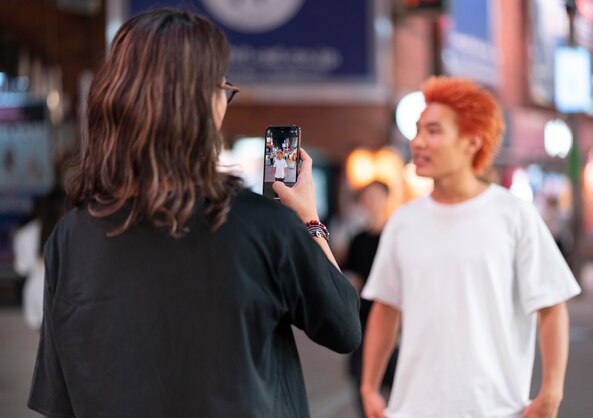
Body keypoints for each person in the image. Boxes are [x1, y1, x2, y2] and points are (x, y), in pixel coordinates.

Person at [28, 9, 361, 418]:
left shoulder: (70, 237)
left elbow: (58, 400)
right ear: (201, 103)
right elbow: (344, 325)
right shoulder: (261, 225)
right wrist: (309, 219)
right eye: (223, 89)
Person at [360, 76, 581, 418]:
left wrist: (551, 392)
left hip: (497, 408)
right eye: (417, 130)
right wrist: (369, 387)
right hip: (413, 408)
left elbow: (552, 305)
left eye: (433, 131)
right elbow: (385, 309)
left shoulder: (514, 215)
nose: (418, 142)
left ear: (472, 142)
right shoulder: (403, 222)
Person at [343, 181, 398, 417]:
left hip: (394, 323)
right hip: (363, 320)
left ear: (386, 200)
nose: (372, 202)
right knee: (361, 383)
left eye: (377, 196)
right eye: (368, 197)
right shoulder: (357, 239)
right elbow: (350, 275)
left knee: (397, 389)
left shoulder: (395, 237)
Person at [12, 189, 67, 330]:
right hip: (64, 296)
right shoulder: (68, 231)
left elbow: (21, 268)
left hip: (35, 296)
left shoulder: (25, 233)